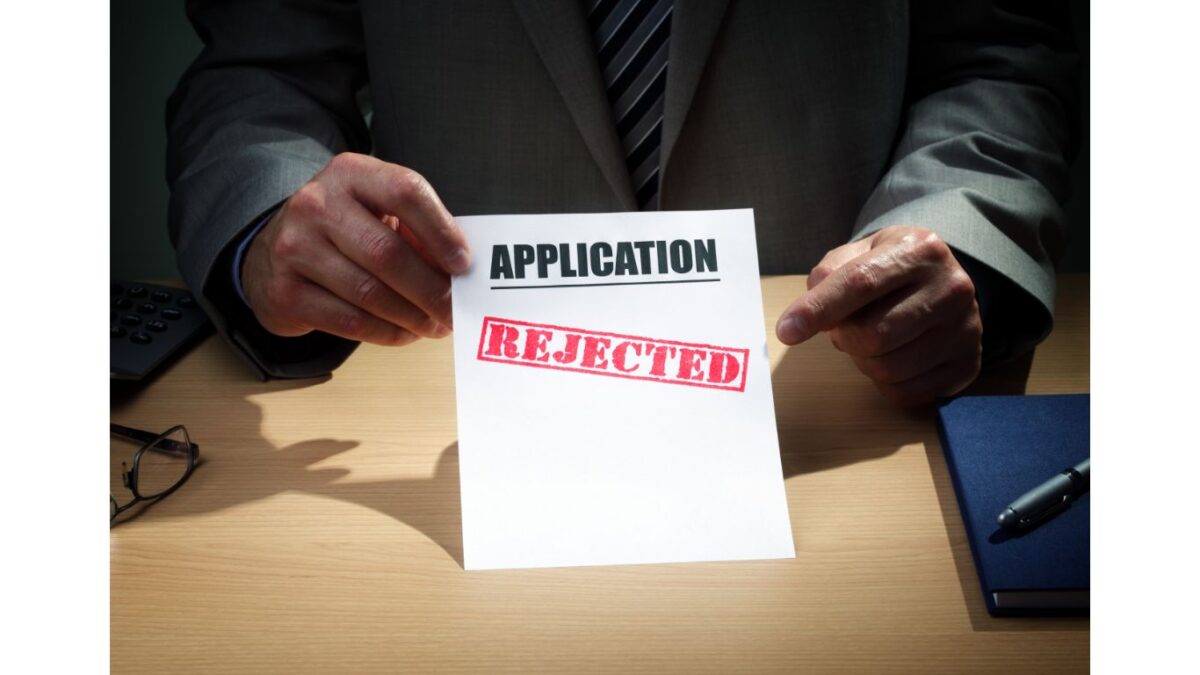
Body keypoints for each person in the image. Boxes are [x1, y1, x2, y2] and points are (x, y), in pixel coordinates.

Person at [166, 1, 1077, 405]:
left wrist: (959, 236)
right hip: (439, 394)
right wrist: (270, 222)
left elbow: (995, 55)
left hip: (831, 397)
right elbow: (261, 68)